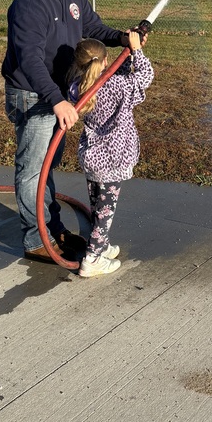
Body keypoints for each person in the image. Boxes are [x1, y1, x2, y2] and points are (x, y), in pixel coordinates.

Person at [2, 0, 136, 261]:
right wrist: (56, 100)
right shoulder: (29, 4)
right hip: (34, 95)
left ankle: (53, 228)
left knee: (47, 169)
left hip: (58, 95)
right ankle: (37, 240)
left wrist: (120, 37)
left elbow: (91, 26)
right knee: (34, 169)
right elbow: (30, 59)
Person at [68, 30, 154, 277]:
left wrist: (128, 55)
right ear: (106, 60)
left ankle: (101, 246)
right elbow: (145, 76)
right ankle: (92, 259)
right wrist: (136, 50)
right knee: (105, 212)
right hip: (113, 156)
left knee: (97, 204)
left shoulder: (76, 86)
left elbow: (120, 73)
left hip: (92, 156)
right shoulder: (117, 86)